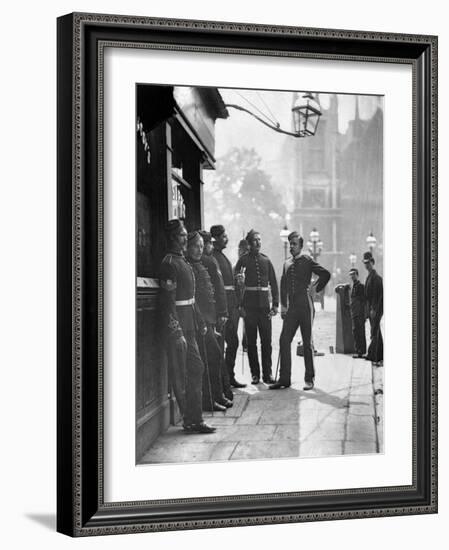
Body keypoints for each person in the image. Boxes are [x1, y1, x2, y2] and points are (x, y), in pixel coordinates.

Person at [159, 219, 215, 434]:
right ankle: (191, 421)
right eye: (182, 235)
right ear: (174, 237)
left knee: (196, 368)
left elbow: (191, 298)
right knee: (183, 373)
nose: (185, 238)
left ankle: (194, 419)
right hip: (179, 328)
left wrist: (199, 320)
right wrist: (177, 331)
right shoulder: (169, 263)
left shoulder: (182, 261)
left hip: (190, 323)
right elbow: (168, 301)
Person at [270, 231, 330, 391]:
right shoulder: (286, 263)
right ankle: (284, 379)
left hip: (305, 305)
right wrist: (283, 307)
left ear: (301, 246)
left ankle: (309, 379)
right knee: (284, 340)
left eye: (294, 244)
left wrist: (315, 288)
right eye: (290, 244)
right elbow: (283, 286)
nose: (291, 247)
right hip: (292, 308)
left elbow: (326, 274)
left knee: (307, 342)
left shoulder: (307, 260)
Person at [234, 229, 279, 385]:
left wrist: (275, 305)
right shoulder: (243, 261)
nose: (258, 243)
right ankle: (255, 375)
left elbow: (273, 283)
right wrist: (239, 305)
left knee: (266, 342)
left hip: (265, 308)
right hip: (249, 308)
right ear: (249, 243)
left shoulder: (266, 260)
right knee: (251, 343)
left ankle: (268, 374)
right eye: (255, 240)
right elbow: (236, 285)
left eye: (259, 240)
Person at [197, 230, 233, 406]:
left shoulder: (211, 260)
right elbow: (216, 290)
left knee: (215, 356)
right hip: (207, 318)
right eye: (206, 243)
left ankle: (220, 394)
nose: (208, 246)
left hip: (212, 316)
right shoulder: (207, 261)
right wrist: (222, 312)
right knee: (213, 356)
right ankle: (215, 396)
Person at [210, 225, 247, 389]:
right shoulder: (213, 258)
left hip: (230, 307)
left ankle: (228, 376)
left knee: (232, 342)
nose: (227, 239)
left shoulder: (223, 258)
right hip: (222, 309)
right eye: (224, 236)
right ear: (215, 238)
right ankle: (222, 380)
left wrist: (238, 281)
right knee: (223, 344)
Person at [363, 251, 383, 365]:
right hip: (372, 308)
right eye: (365, 263)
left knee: (375, 330)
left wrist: (374, 309)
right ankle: (378, 354)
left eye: (368, 263)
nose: (366, 265)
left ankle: (374, 355)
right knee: (376, 330)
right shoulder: (369, 277)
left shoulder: (376, 278)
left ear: (373, 262)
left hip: (376, 308)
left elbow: (378, 296)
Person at [348, 268, 367, 358]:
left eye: (353, 274)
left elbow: (363, 301)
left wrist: (363, 314)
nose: (352, 276)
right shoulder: (353, 286)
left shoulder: (360, 286)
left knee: (359, 332)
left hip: (359, 313)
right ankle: (359, 350)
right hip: (354, 312)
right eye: (351, 274)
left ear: (357, 275)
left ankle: (361, 351)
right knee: (356, 332)